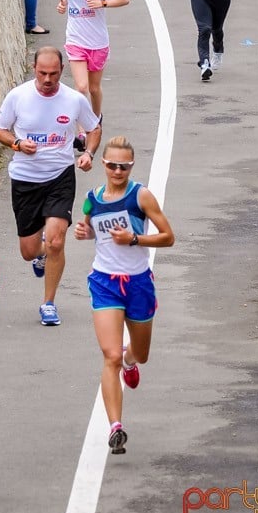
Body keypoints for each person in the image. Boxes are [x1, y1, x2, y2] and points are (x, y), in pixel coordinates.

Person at [74, 135, 174, 455]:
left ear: (131, 166)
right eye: (113, 165)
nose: (118, 171)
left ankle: (132, 362)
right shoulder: (92, 198)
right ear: (103, 165)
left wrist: (135, 240)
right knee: (111, 356)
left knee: (137, 354)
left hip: (138, 283)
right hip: (103, 282)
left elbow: (168, 237)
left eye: (124, 166)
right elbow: (91, 227)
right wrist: (84, 231)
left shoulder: (141, 197)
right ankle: (115, 426)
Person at [0, 46, 102, 327]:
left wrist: (88, 153)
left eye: (53, 74)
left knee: (56, 240)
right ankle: (40, 253)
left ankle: (48, 303)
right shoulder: (18, 97)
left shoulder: (74, 100)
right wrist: (16, 143)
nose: (48, 79)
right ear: (34, 69)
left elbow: (94, 127)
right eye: (42, 73)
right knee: (29, 251)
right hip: (25, 179)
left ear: (61, 71)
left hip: (59, 177)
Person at [57, 0, 129, 118]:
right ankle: (83, 130)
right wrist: (63, 4)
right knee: (81, 87)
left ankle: (96, 119)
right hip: (75, 40)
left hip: (97, 42)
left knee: (94, 88)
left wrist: (102, 3)